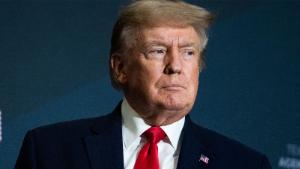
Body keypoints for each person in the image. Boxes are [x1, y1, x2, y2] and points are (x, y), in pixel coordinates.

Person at [14, 0, 272, 169]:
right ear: (120, 68)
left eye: (188, 52)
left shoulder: (245, 163)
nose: (176, 66)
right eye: (158, 51)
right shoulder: (49, 150)